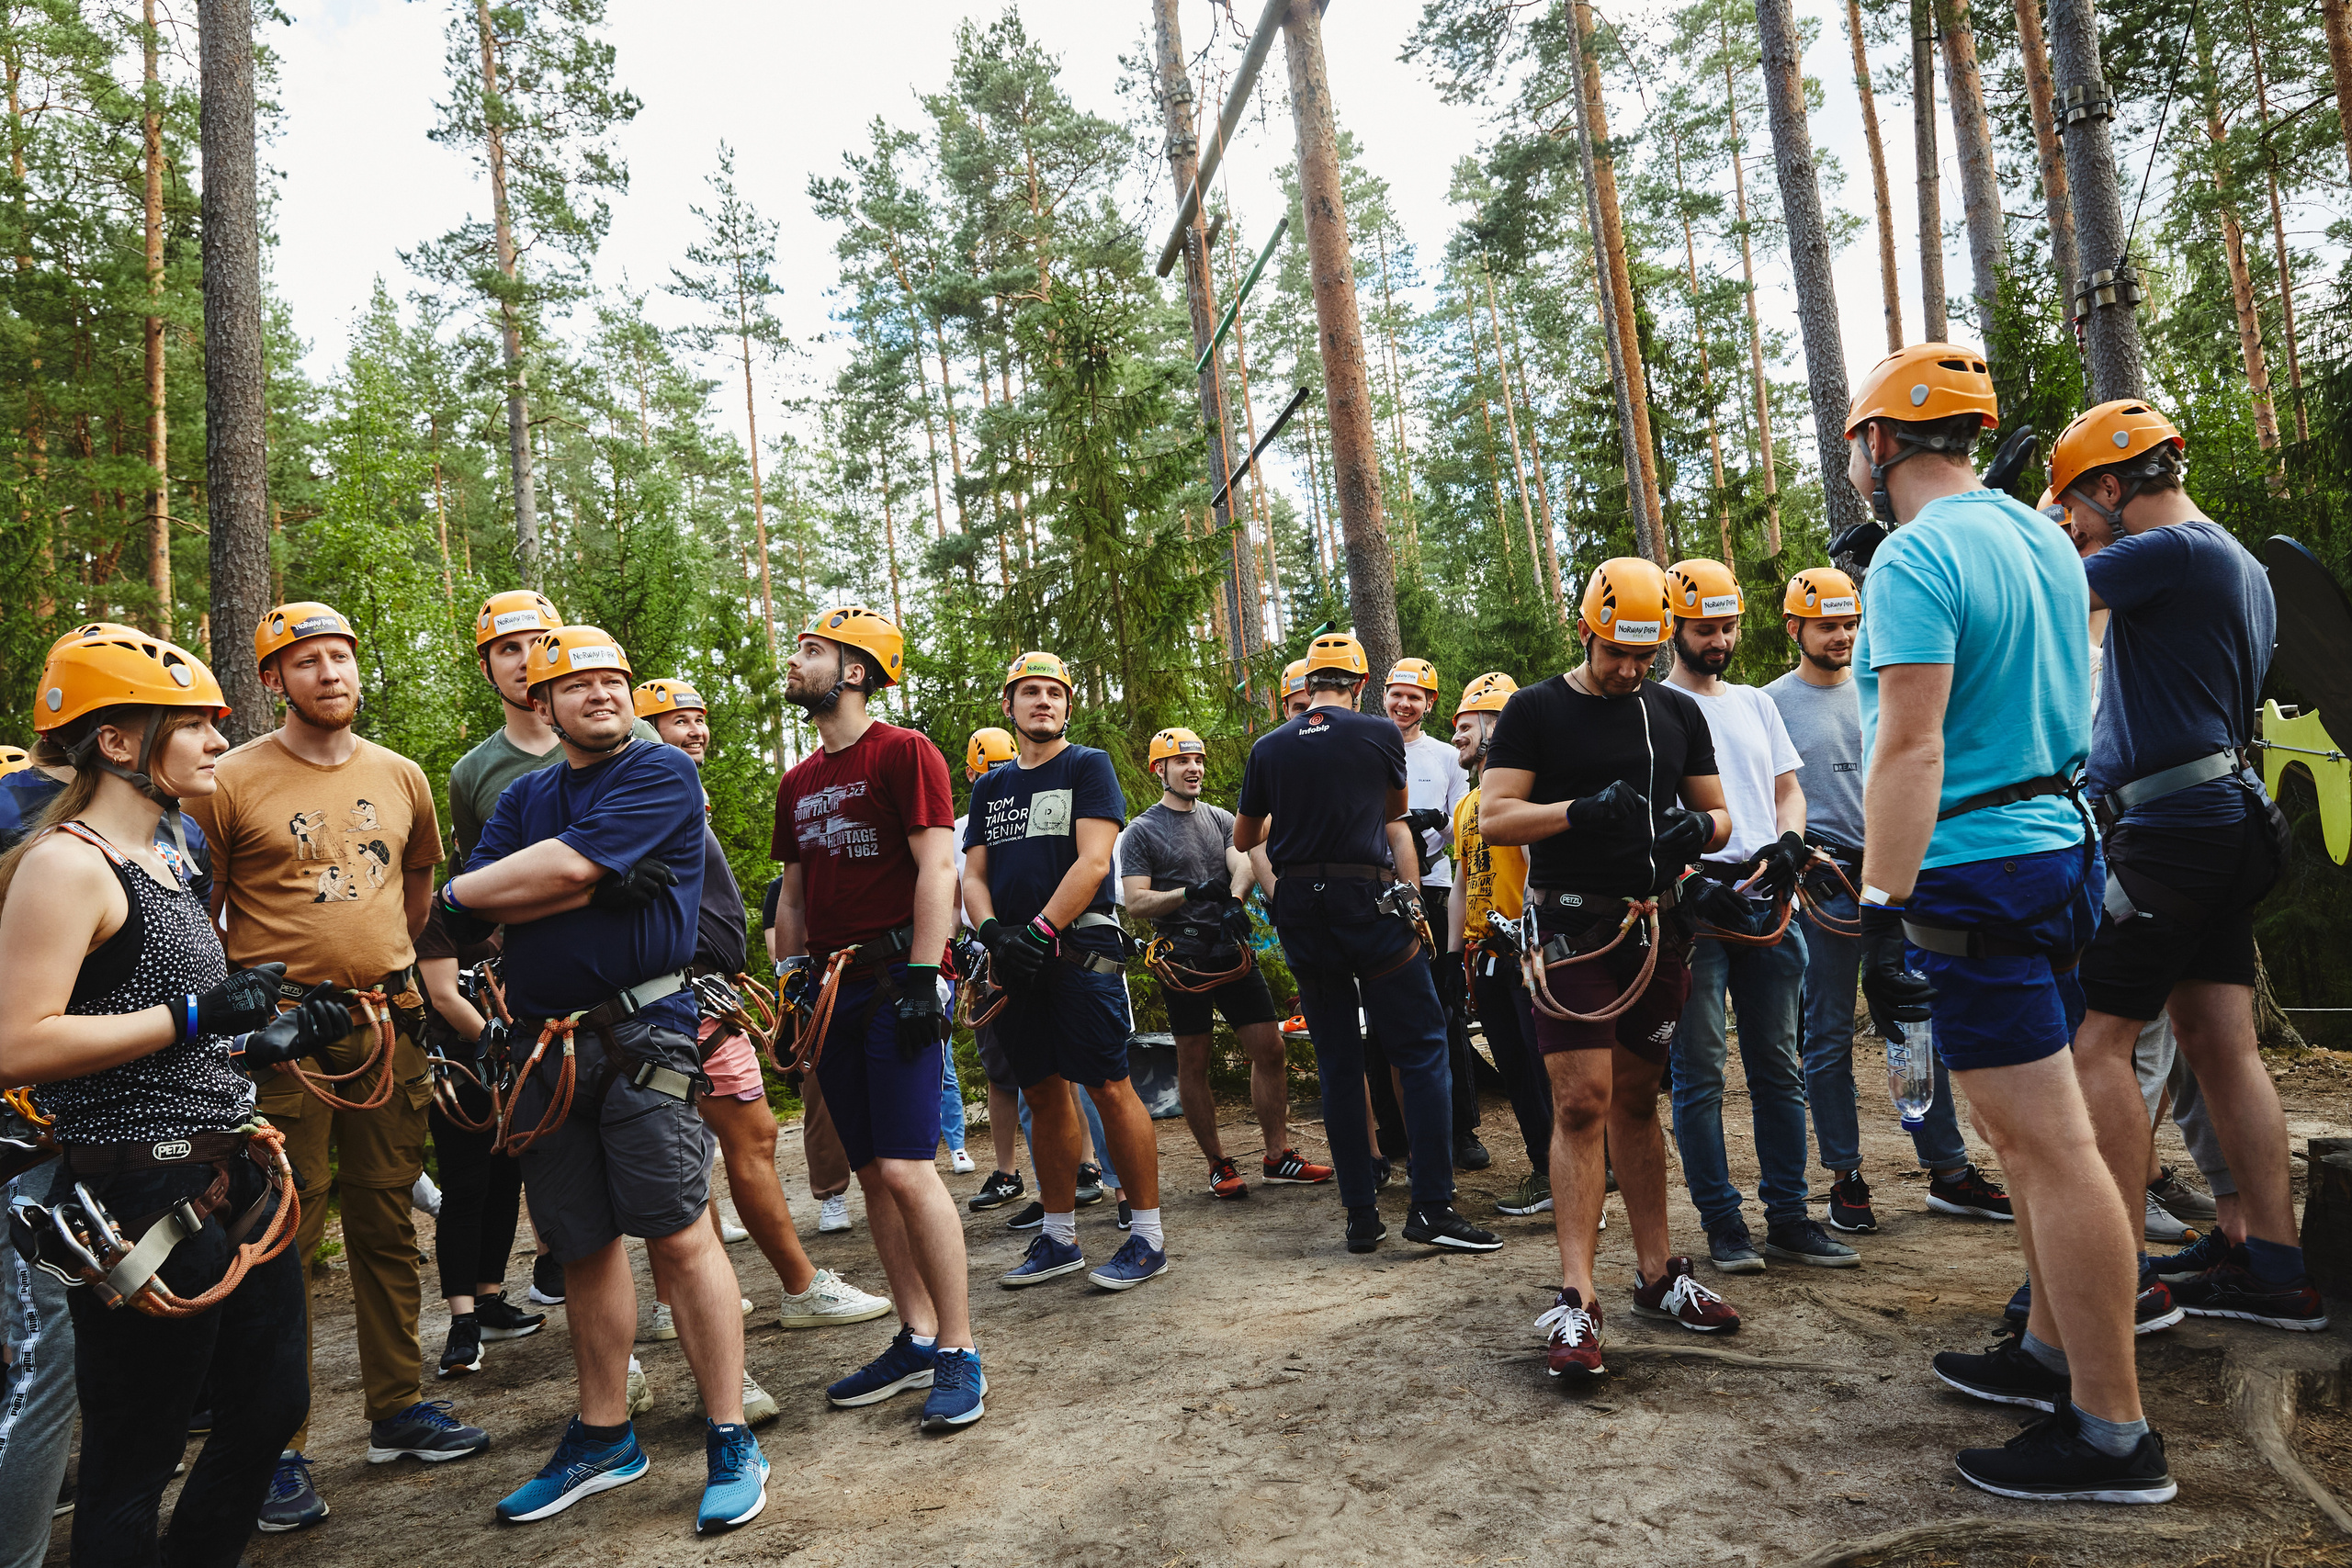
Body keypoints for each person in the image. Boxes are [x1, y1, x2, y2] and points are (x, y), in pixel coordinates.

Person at [1840, 344, 2170, 1502]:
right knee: (2046, 1136)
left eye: (1856, 443)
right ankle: (2048, 1354)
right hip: (2062, 848)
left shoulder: (1913, 556)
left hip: (1974, 867)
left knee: (2045, 1145)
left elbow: (1909, 742)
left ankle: (2111, 1432)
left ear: (1881, 443)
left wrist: (1881, 906)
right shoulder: (2043, 537)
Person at [0, 630, 337, 1566]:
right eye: (192, 726)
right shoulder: (67, 866)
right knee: (134, 1455)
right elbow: (18, 1043)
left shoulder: (167, 856)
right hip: (137, 1193)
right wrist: (189, 1015)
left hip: (224, 1169)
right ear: (118, 743)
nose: (218, 744)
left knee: (271, 1409)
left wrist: (265, 1039)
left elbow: (161, 1023)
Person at [442, 625, 769, 1532]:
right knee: (579, 1243)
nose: (601, 694)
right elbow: (487, 908)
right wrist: (520, 890)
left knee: (676, 1233)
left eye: (612, 680)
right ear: (539, 705)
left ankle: (731, 1431)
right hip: (548, 1047)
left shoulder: (661, 773)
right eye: (577, 684)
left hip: (644, 1034)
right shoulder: (522, 796)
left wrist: (499, 891)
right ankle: (603, 1434)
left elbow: (540, 876)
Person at [185, 603, 489, 1534]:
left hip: (385, 1021)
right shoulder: (226, 782)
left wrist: (397, 976)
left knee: (388, 1214)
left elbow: (416, 887)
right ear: (273, 680)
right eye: (307, 661)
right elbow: (204, 912)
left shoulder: (400, 775)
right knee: (281, 1229)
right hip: (286, 1035)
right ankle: (275, 1444)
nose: (330, 673)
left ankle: (397, 1409)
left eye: (342, 657)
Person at [2046, 401, 2318, 1330]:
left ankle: (2113, 1273)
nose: (2074, 524)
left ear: (2113, 488)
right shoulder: (2234, 559)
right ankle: (2271, 1263)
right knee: (2218, 1044)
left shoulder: (2170, 550)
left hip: (2171, 828)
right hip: (2222, 818)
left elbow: (2043, 588)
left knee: (2092, 1042)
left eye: (2077, 506)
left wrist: (2020, 528)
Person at [1481, 558, 1745, 1381]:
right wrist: (1577, 812)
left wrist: (1691, 834)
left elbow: (1722, 812)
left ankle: (1660, 1275)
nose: (1629, 669)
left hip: (1659, 927)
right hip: (1572, 929)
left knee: (1635, 1096)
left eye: (1643, 653)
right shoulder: (1535, 710)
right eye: (1614, 652)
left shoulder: (1673, 711)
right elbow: (1495, 816)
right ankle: (1575, 1294)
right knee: (1581, 1101)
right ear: (1587, 628)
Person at [633, 677, 891, 1396]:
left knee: (691, 1149)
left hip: (696, 996)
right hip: (683, 1000)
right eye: (674, 720)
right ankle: (799, 1286)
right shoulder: (644, 793)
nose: (693, 731)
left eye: (698, 719)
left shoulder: (673, 794)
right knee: (738, 1142)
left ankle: (669, 1303)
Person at [765, 606, 983, 1433]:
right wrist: (790, 985)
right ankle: (917, 1333)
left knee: (907, 1168)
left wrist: (929, 975)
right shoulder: (797, 782)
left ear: (856, 671)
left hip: (899, 973)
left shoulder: (905, 751)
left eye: (812, 651)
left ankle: (960, 1350)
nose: (797, 660)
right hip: (830, 990)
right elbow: (791, 895)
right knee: (870, 1172)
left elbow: (937, 864)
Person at [1231, 631, 1497, 1258]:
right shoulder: (1379, 735)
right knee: (1422, 1046)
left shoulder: (1268, 748)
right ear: (1357, 685)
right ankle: (1431, 1204)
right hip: (1368, 904)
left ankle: (1360, 1216)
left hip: (1303, 911)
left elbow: (1247, 834)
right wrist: (1412, 903)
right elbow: (1394, 822)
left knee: (1338, 1061)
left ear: (1304, 684)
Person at [1765, 569, 2009, 1233]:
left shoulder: (1879, 688)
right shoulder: (1772, 704)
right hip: (1826, 890)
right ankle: (1846, 1176)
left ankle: (1950, 1171)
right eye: (1829, 625)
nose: (1843, 635)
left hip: (1898, 883)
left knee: (1913, 1024)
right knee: (1827, 1034)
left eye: (1850, 623)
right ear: (1796, 629)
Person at [447, 590, 658, 1309]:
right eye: (510, 647)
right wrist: (595, 887)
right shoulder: (481, 777)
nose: (526, 655)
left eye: (540, 641)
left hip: (647, 1000)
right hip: (542, 1008)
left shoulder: (649, 752)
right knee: (579, 1222)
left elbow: (686, 867)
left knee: (674, 1213)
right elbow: (478, 894)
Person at [1657, 559, 1855, 1273]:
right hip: (1695, 906)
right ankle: (1722, 1222)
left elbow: (1787, 789)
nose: (1719, 641)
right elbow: (1652, 817)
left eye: (1728, 626)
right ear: (1674, 627)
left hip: (1766, 893)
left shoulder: (1754, 703)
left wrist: (1790, 841)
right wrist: (1680, 879)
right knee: (1700, 1067)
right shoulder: (1652, 709)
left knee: (1779, 1064)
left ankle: (1790, 1216)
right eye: (1705, 629)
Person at [964, 652, 1168, 1292]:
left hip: (1078, 950)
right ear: (1009, 705)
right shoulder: (989, 787)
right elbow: (972, 874)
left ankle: (1148, 1236)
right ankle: (1058, 1238)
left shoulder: (1087, 765)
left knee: (1109, 1085)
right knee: (1042, 1090)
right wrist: (994, 932)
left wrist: (1040, 929)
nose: (1042, 701)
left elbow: (1093, 859)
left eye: (1054, 692)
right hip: (1014, 960)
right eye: (1030, 692)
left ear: (1067, 706)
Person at [1121, 726, 1330, 1200]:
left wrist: (1235, 901)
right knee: (1194, 1061)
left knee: (1270, 1049)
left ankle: (1277, 1157)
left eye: (1197, 760)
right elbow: (1135, 902)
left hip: (1228, 948)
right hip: (1182, 956)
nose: (1194, 768)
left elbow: (1241, 859)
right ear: (1160, 770)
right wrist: (1188, 893)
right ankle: (1218, 1163)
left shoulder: (1218, 818)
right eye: (1182, 762)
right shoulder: (1141, 831)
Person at [413, 903, 548, 1384]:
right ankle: (462, 1319)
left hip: (515, 1062)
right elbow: (445, 996)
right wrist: (508, 1047)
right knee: (466, 1187)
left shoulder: (519, 904)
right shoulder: (438, 913)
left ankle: (489, 1299)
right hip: (462, 1068)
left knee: (506, 1180)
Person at [1446, 673, 1555, 1218]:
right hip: (1483, 953)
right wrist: (1450, 958)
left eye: (1465, 725)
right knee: (1513, 1065)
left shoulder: (1525, 793)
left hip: (1526, 948)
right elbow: (1465, 883)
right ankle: (1545, 1168)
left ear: (1495, 725)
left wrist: (1535, 936)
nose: (1456, 737)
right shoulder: (1469, 805)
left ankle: (1578, 1166)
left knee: (1544, 1063)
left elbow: (1542, 867)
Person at [1380, 659, 1485, 1171]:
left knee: (1445, 1011)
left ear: (1430, 704)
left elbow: (1468, 823)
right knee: (1381, 1017)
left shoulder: (1446, 757)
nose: (1404, 704)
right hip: (1379, 890)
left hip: (1439, 890)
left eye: (1414, 697)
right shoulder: (1368, 747)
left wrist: (1437, 824)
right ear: (1383, 696)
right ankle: (1394, 1127)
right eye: (1397, 694)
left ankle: (1461, 1129)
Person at [956, 727, 1029, 1213]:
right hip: (985, 955)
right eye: (990, 772)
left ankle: (1085, 1164)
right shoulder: (961, 828)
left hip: (1033, 944)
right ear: (971, 774)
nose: (1000, 778)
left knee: (1062, 1072)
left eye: (1007, 768)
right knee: (1001, 1073)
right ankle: (1006, 1172)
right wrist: (953, 946)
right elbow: (951, 889)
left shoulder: (1030, 812)